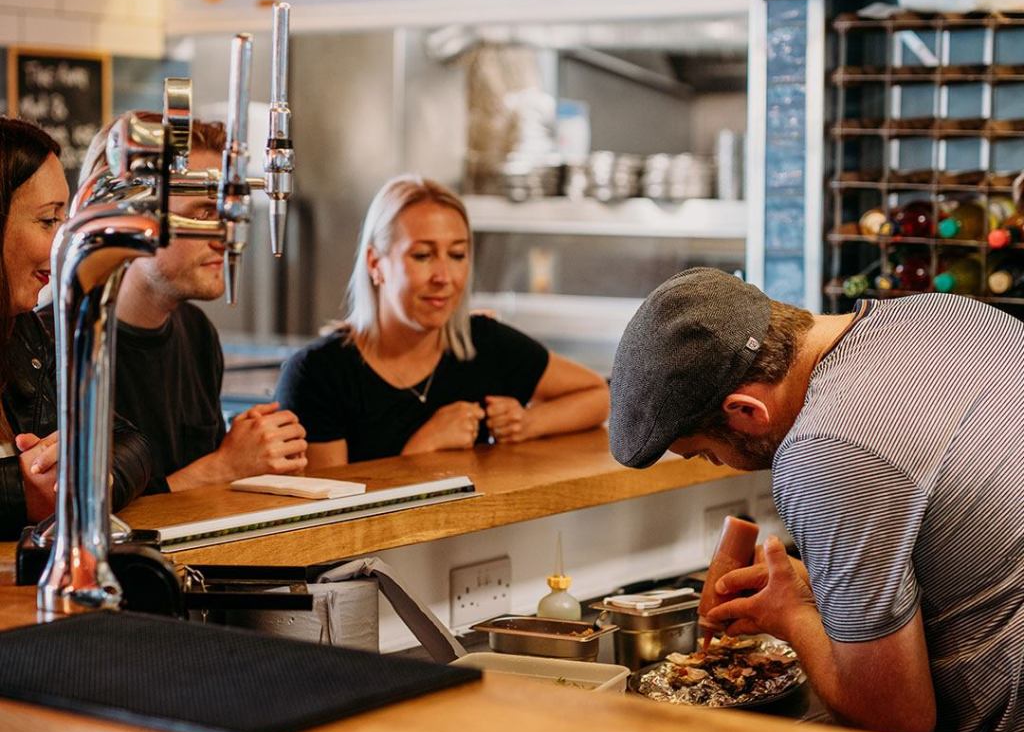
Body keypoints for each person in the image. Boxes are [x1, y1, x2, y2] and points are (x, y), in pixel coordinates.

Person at [608, 266, 1024, 732]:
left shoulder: (825, 451)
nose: (722, 465)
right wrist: (817, 589)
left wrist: (794, 614)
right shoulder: (944, 317)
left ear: (745, 412)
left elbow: (894, 727)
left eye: (708, 453)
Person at [276, 175, 609, 466]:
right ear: (376, 263)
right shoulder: (317, 374)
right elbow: (329, 517)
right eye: (422, 255)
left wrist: (527, 422)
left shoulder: (485, 343)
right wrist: (423, 446)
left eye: (457, 255)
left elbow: (599, 395)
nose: (444, 276)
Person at [69, 115, 307, 493]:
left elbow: (203, 497)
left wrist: (255, 458)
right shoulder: (58, 339)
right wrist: (225, 465)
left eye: (224, 215)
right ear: (132, 216)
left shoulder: (196, 332)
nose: (222, 237)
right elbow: (78, 506)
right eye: (203, 214)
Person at [0, 117, 151, 538]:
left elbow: (130, 441)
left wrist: (88, 476)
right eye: (49, 221)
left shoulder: (24, 334)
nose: (64, 241)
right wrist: (22, 494)